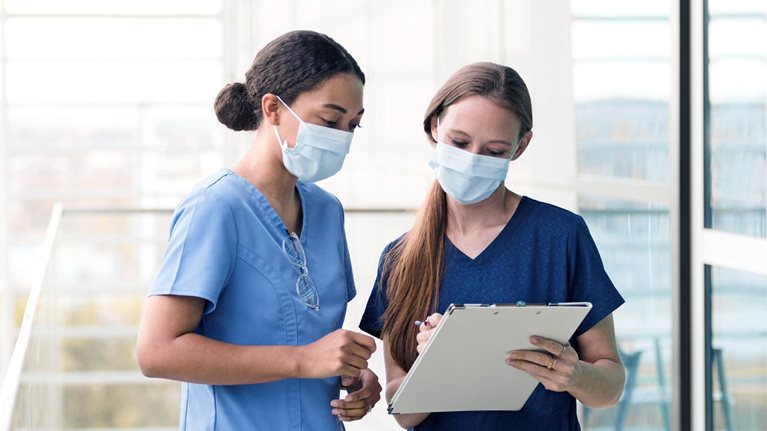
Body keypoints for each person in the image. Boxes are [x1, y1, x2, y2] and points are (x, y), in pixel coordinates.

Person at [359, 62, 626, 430]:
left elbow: (610, 387)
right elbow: (403, 414)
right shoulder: (400, 259)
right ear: (435, 126)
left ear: (521, 146)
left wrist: (574, 375)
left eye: (494, 150)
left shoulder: (561, 236)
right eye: (459, 142)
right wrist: (439, 363)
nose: (472, 161)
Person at [136, 30, 381, 430]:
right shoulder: (214, 208)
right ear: (272, 109)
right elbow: (157, 352)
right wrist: (302, 360)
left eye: (353, 124)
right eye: (330, 120)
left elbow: (319, 342)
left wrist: (353, 377)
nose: (342, 137)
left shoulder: (327, 210)